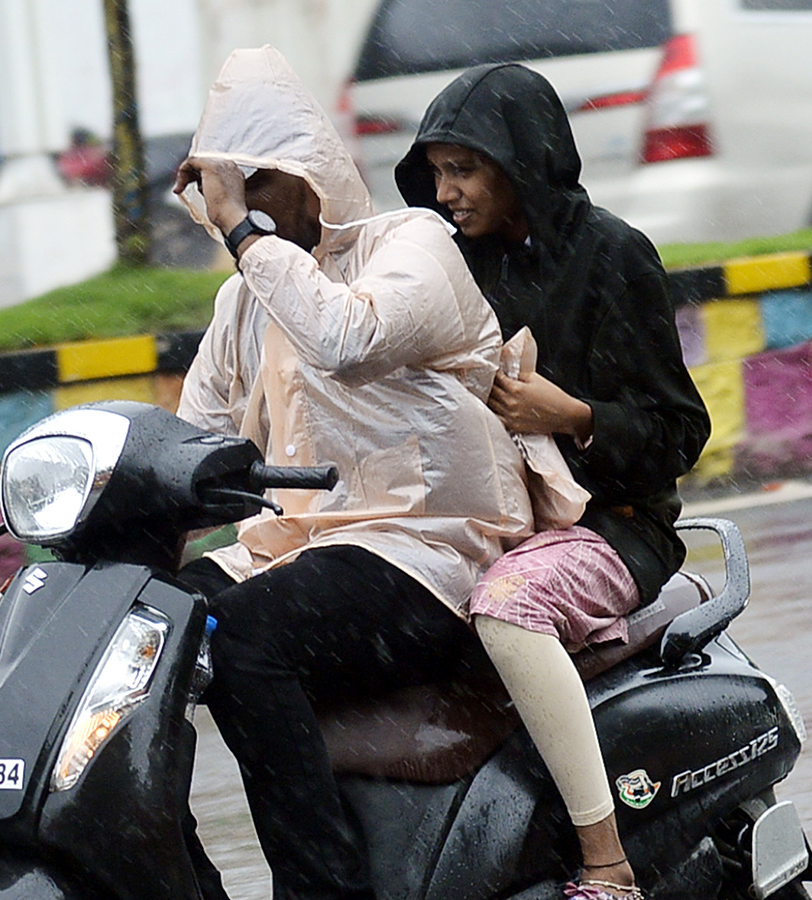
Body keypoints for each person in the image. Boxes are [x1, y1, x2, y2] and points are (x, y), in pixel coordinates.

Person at [171, 47, 543, 900]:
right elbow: (188, 444)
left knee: (244, 640)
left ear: (315, 180)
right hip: (303, 547)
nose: (246, 213)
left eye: (260, 186)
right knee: (148, 629)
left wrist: (242, 235)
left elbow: (346, 339)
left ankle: (322, 891)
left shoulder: (412, 245)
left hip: (429, 550)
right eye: (231, 191)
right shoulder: (244, 301)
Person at [395, 64, 712, 900]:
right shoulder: (450, 263)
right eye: (435, 172)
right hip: (492, 517)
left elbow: (681, 433)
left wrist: (570, 414)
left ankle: (607, 862)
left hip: (617, 526)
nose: (445, 191)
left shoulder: (614, 255)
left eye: (463, 170)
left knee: (507, 607)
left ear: (521, 162)